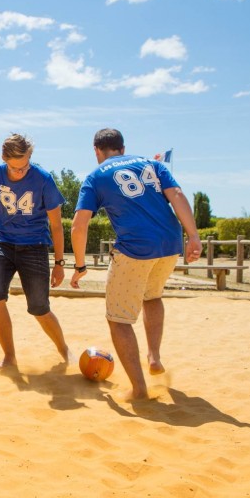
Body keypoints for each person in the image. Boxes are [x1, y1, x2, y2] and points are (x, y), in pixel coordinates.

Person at [70, 128, 202, 401]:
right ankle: (154, 356)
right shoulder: (153, 164)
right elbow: (177, 194)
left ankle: (139, 389)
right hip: (170, 244)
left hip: (135, 248)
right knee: (152, 296)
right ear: (122, 148)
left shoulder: (96, 176)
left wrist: (80, 265)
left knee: (118, 320)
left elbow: (79, 225)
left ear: (97, 151)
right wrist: (193, 235)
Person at [0, 134, 72, 370]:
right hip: (3, 243)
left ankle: (64, 349)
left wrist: (59, 263)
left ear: (30, 157)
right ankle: (9, 357)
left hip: (35, 245)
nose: (20, 172)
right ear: (4, 159)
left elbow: (56, 225)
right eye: (14, 168)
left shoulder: (43, 179)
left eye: (25, 166)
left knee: (39, 308)